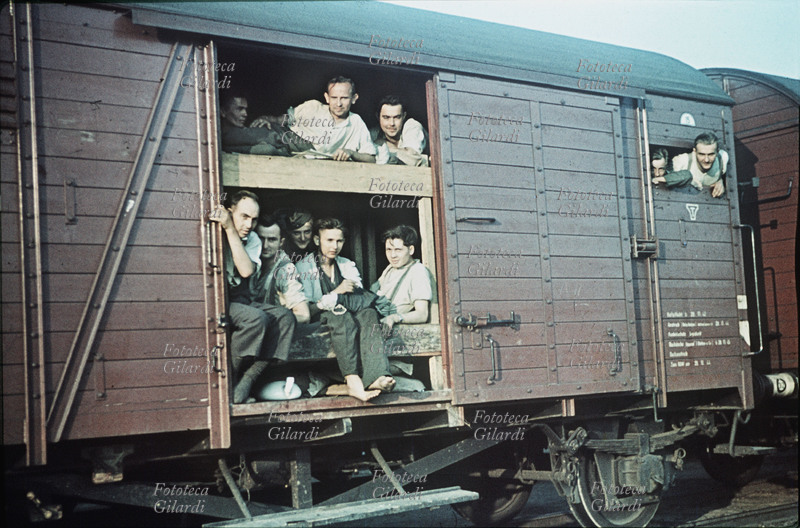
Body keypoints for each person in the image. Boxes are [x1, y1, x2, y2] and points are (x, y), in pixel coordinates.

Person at [295, 218, 395, 401]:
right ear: (317, 240)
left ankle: (377, 375)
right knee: (341, 316)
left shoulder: (346, 265)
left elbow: (358, 300)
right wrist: (337, 293)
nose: (335, 246)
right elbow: (308, 310)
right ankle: (353, 381)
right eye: (329, 240)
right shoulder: (303, 267)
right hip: (319, 321)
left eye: (339, 241)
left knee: (369, 313)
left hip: (345, 318)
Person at [210, 190, 273, 403]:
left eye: (254, 219)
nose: (249, 224)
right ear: (229, 212)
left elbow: (246, 270)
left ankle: (246, 380)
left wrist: (231, 229)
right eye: (244, 217)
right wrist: (227, 227)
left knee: (284, 318)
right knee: (255, 319)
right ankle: (230, 380)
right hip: (218, 302)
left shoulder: (252, 238)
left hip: (238, 300)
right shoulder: (214, 230)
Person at [252, 76, 376, 162]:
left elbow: (371, 159)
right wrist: (266, 118)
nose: (338, 103)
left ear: (354, 98)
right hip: (284, 137)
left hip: (296, 154)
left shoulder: (356, 122)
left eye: (344, 98)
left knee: (264, 150)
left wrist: (351, 152)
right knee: (255, 135)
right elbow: (280, 120)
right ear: (327, 97)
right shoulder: (313, 107)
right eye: (334, 98)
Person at [247, 214, 311, 365]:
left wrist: (272, 321)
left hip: (273, 343)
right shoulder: (250, 261)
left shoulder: (285, 270)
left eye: (272, 240)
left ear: (281, 242)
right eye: (261, 238)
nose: (265, 245)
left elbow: (304, 315)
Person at [373, 225, 432, 332]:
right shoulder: (389, 269)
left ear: (411, 250)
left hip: (393, 330)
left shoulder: (418, 271)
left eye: (398, 250)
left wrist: (394, 318)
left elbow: (422, 314)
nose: (393, 255)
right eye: (389, 250)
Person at [219, 93, 311, 155]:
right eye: (239, 109)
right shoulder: (226, 137)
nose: (245, 114)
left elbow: (269, 149)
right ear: (223, 112)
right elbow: (269, 149)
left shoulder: (250, 130)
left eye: (245, 109)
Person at [657, 133, 728, 198]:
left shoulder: (722, 159)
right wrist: (689, 180)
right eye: (701, 154)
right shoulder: (682, 161)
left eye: (711, 154)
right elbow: (663, 179)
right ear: (694, 151)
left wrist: (720, 181)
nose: (706, 160)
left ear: (717, 152)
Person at [371, 95, 429, 167]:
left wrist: (384, 145)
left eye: (397, 117)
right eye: (386, 117)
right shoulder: (374, 133)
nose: (392, 123)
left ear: (404, 116)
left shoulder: (413, 126)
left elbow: (413, 160)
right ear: (378, 117)